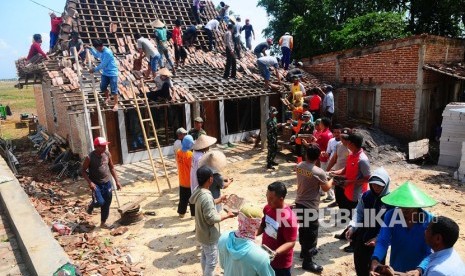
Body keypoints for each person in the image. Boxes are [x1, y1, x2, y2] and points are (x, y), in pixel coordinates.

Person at [370, 181, 436, 274]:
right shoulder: (391, 215)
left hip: (420, 270)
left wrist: (419, 270)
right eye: (401, 205)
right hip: (396, 269)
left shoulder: (429, 220)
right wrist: (375, 260)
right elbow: (383, 240)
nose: (404, 209)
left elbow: (430, 251)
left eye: (409, 206)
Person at [189, 166, 236, 276]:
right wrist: (227, 216)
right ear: (210, 179)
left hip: (202, 233)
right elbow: (211, 219)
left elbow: (205, 204)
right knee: (212, 262)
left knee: (205, 256)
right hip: (209, 235)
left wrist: (219, 200)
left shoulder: (199, 190)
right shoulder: (206, 196)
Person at [345, 167, 392, 276]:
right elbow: (359, 213)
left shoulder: (390, 201)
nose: (376, 187)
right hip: (362, 237)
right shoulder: (366, 196)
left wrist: (378, 238)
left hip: (379, 242)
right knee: (360, 265)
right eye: (374, 184)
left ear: (386, 184)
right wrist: (352, 227)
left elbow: (391, 225)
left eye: (379, 185)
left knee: (376, 270)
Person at [295, 144, 333, 273]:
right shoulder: (319, 172)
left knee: (303, 229)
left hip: (299, 203)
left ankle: (303, 252)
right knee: (311, 234)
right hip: (310, 206)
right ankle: (308, 262)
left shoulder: (299, 166)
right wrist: (331, 179)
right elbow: (326, 188)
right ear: (318, 157)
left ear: (306, 154)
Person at [332, 132, 371, 252]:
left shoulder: (362, 159)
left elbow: (368, 178)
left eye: (348, 142)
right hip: (348, 191)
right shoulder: (351, 154)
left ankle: (354, 243)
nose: (346, 144)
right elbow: (346, 169)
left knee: (356, 218)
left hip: (357, 195)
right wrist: (336, 173)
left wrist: (351, 182)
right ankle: (347, 233)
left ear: (352, 144)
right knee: (349, 215)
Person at [218, 203, 275, 276]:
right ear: (257, 224)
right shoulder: (261, 256)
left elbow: (223, 265)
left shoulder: (223, 237)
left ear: (239, 218)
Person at [256, 181, 298, 276]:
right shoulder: (268, 208)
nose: (268, 201)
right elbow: (263, 225)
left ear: (281, 199)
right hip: (265, 257)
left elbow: (291, 242)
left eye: (271, 198)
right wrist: (253, 234)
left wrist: (275, 253)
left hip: (280, 264)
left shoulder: (288, 218)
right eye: (267, 196)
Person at [82, 137, 122, 229]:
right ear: (96, 146)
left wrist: (117, 181)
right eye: (102, 146)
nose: (104, 148)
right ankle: (91, 205)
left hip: (107, 183)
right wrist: (90, 183)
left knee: (107, 204)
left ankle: (103, 223)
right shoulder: (89, 157)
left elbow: (111, 168)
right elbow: (83, 171)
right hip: (96, 184)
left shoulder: (107, 154)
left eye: (105, 146)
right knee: (100, 202)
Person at [87, 39, 119, 111]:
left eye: (98, 48)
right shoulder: (100, 51)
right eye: (96, 48)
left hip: (112, 73)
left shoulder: (107, 52)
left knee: (114, 89)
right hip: (105, 73)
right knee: (102, 87)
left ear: (101, 46)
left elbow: (103, 64)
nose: (97, 50)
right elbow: (96, 55)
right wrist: (90, 48)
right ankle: (108, 97)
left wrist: (94, 69)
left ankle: (116, 104)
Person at [321, 123, 342, 202]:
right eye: (335, 132)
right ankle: (331, 196)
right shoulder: (331, 141)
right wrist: (324, 154)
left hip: (340, 166)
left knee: (338, 184)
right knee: (328, 179)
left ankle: (337, 201)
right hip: (332, 164)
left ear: (341, 133)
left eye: (338, 132)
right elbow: (328, 153)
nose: (336, 134)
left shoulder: (345, 143)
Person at [177, 135, 195, 218]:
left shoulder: (178, 152)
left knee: (183, 199)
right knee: (192, 199)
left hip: (182, 180)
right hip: (189, 181)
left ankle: (181, 213)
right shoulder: (191, 155)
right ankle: (193, 215)